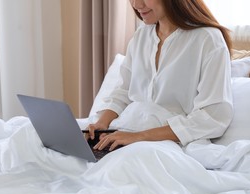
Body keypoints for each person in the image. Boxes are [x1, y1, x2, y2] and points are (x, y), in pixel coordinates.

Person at [87, 0, 233, 152]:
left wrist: (139, 136)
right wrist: (101, 125)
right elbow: (123, 92)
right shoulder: (141, 36)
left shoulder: (208, 39)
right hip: (123, 132)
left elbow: (214, 117)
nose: (136, 5)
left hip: (169, 144)